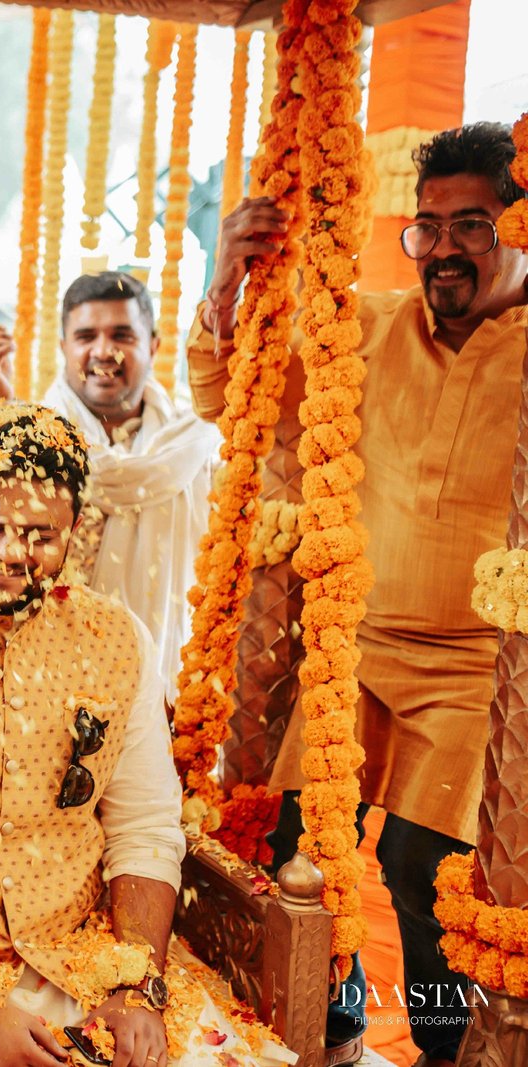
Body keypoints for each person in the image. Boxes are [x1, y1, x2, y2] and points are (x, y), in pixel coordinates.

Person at [0, 402, 295, 1067]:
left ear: (76, 530)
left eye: (39, 534)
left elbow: (144, 827)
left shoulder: (116, 639)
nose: (10, 553)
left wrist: (138, 984)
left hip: (88, 949)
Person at [189, 121, 528, 1067]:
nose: (446, 247)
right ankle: (323, 1038)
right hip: (353, 648)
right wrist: (226, 284)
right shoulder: (365, 330)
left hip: (478, 671)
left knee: (425, 869)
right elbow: (230, 395)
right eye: (429, 226)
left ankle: (444, 1047)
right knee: (296, 846)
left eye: (473, 224)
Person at [41, 271, 219, 704]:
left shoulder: (195, 447)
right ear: (64, 348)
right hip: (45, 694)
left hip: (167, 697)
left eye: (122, 335)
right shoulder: (32, 446)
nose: (104, 351)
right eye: (86, 336)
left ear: (153, 346)